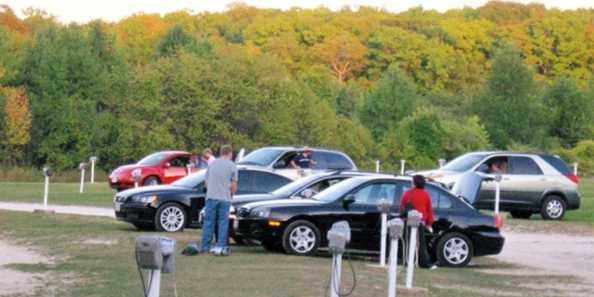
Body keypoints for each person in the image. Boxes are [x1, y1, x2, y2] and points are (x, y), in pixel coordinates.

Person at [200, 145, 238, 256]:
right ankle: (220, 246)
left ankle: (205, 246)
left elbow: (206, 183)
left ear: (221, 153)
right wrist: (230, 193)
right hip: (225, 198)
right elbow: (234, 186)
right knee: (223, 223)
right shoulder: (232, 166)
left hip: (211, 197)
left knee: (208, 222)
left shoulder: (212, 165)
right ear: (230, 153)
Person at [400, 174, 437, 269]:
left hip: (407, 220)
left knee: (407, 242)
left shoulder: (407, 193)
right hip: (420, 222)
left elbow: (402, 207)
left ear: (415, 183)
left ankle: (407, 261)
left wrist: (402, 218)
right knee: (420, 244)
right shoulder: (426, 194)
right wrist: (429, 223)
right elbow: (429, 210)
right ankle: (423, 262)